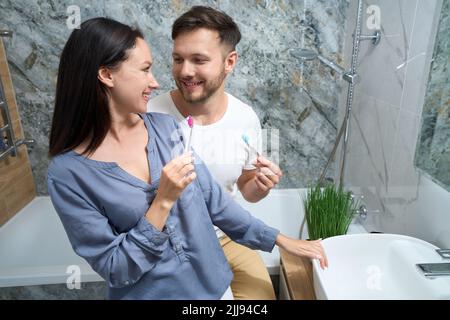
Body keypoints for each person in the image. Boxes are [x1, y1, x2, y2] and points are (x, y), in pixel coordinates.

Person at [47, 17, 328, 300]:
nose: (155, 82)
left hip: (215, 287)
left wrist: (281, 240)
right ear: (106, 75)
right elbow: (116, 269)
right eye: (145, 70)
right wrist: (163, 201)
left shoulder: (166, 129)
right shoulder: (68, 174)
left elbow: (216, 204)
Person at [149, 6, 283, 299]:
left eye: (199, 60)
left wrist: (260, 186)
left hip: (227, 239)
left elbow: (247, 188)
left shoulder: (245, 118)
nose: (185, 71)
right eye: (177, 59)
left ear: (229, 61)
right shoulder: (149, 114)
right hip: (170, 245)